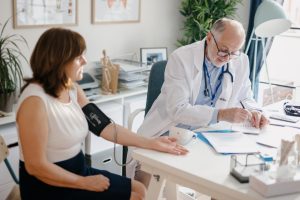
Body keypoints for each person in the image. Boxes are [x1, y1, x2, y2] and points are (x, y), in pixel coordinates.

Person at [16, 27, 188, 200]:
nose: (84, 61)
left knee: (140, 190)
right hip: (48, 185)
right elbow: (35, 166)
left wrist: (150, 142)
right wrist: (84, 183)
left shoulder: (72, 89)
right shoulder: (35, 102)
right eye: (78, 57)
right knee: (135, 196)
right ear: (58, 60)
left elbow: (104, 126)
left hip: (78, 170)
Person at [127, 18, 269, 179]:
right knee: (145, 184)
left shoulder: (241, 61)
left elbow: (245, 96)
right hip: (168, 131)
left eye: (234, 52)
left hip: (209, 136)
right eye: (223, 50)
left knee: (225, 179)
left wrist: (256, 111)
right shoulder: (181, 58)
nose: (227, 58)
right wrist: (220, 115)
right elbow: (177, 109)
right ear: (209, 38)